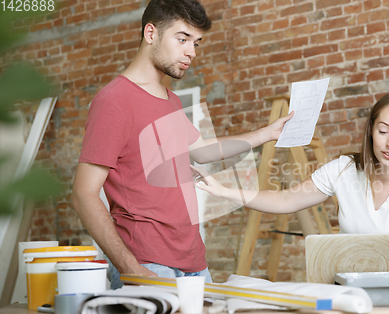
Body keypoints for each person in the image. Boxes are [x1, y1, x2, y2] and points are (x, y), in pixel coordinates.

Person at [71, 0, 293, 289]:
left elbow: (202, 150)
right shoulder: (115, 101)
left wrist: (266, 133)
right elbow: (83, 194)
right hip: (147, 264)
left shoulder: (169, 99)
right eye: (182, 39)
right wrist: (130, 267)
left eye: (196, 43)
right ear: (150, 33)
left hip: (194, 263)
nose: (191, 52)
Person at [192, 91, 389, 271]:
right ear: (371, 130)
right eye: (383, 131)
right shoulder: (344, 169)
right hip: (346, 289)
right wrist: (223, 191)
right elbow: (285, 199)